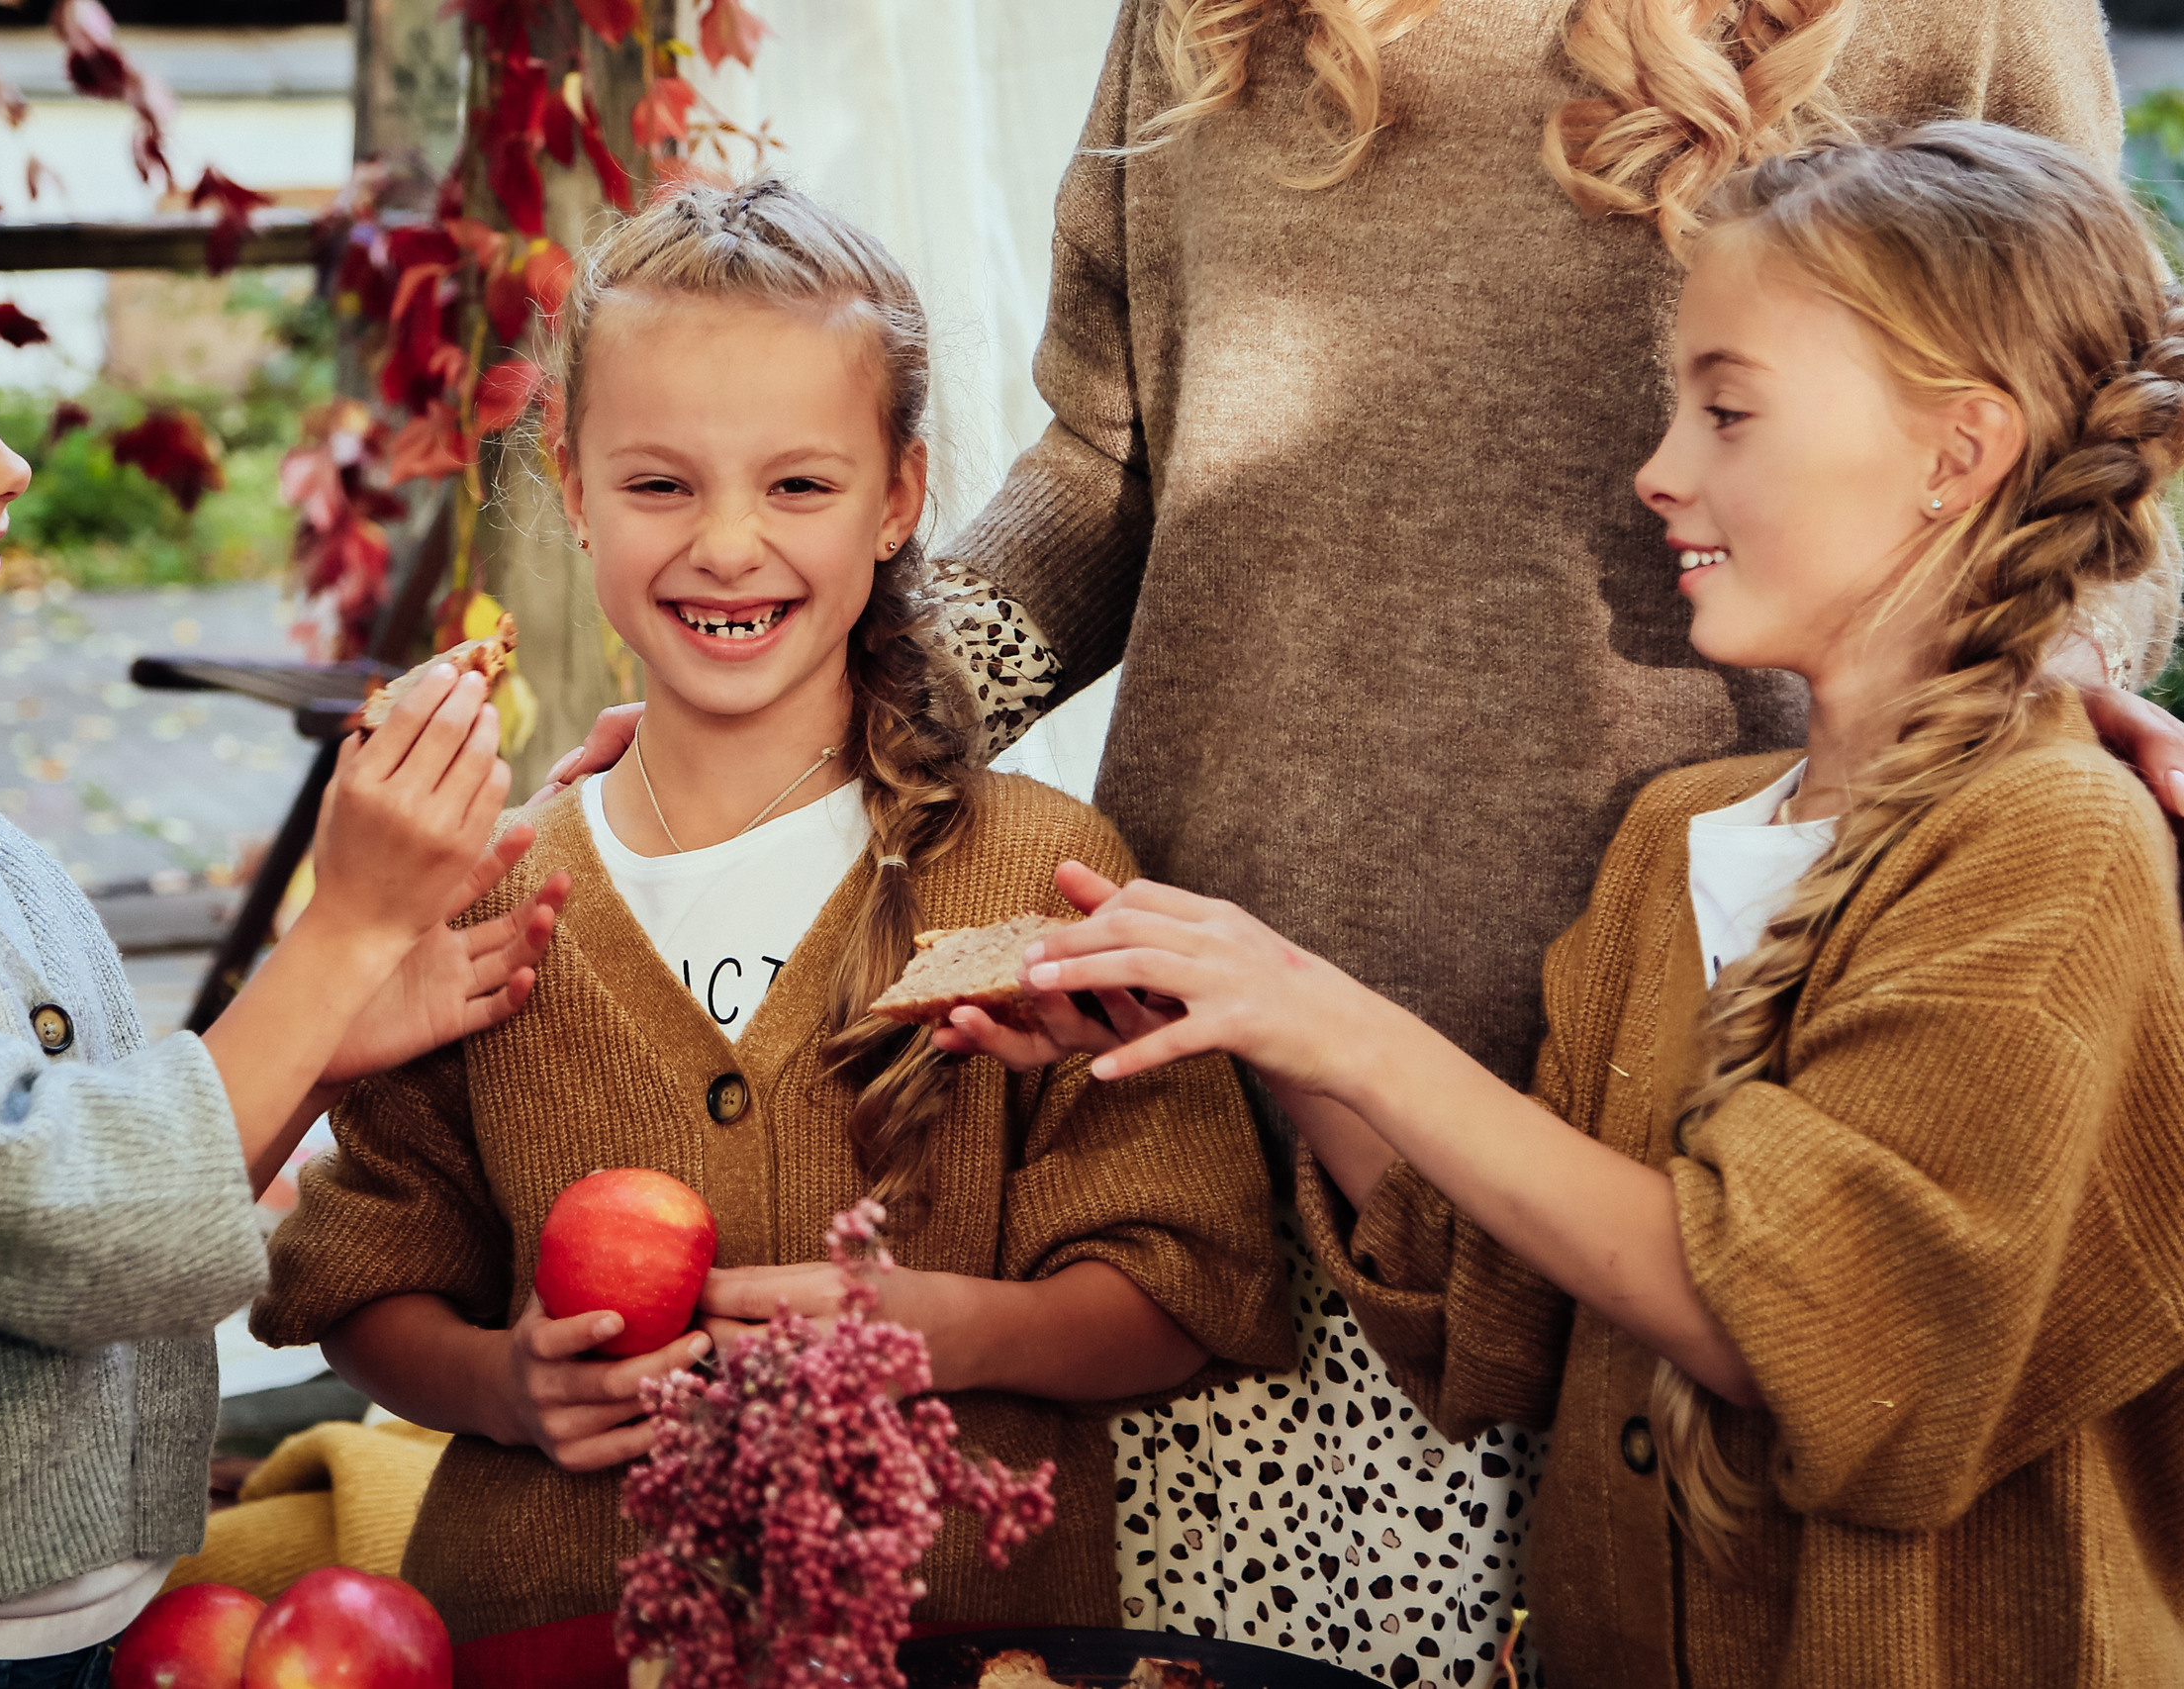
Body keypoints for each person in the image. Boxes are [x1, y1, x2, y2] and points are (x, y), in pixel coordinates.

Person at [541, 2, 2184, 1674]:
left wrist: (2049, 719)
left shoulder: (1952, 19)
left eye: (1723, 413)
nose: (1659, 471)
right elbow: (1111, 460)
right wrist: (848, 713)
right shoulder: (1204, 16)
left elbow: (2068, 376)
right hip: (1265, 1138)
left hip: (1720, 1073)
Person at [968, 122, 2184, 1684]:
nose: (1658, 470)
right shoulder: (1675, 840)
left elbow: (1802, 1333)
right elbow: (1528, 1319)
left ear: (1959, 454)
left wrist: (1338, 1015)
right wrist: (1243, 1031)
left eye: (1727, 412)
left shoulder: (2051, 847)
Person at [248, 177, 1293, 1660]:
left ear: (900, 499)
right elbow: (370, 1277)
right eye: (661, 484)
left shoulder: (1041, 877)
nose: (727, 547)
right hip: (548, 1630)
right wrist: (499, 1387)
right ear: (569, 477)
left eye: (798, 486)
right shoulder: (482, 896)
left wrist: (941, 1330)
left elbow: (1181, 1286)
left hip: (946, 1637)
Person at [0, 155, 565, 1689]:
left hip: (67, 1624)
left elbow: (144, 1214)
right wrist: (333, 937)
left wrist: (335, 1043)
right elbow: (78, 1224)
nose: (5, 469)